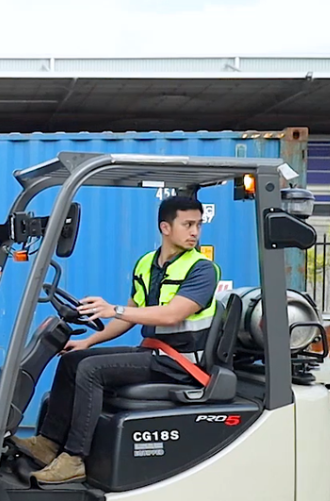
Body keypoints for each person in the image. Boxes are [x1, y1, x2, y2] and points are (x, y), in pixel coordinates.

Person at [12, 195, 220, 484]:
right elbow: (130, 315)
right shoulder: (147, 264)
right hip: (154, 354)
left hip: (181, 364)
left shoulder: (201, 269)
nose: (195, 232)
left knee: (92, 370)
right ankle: (48, 444)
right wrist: (88, 342)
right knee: (74, 360)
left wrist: (113, 309)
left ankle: (74, 458)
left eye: (198, 225)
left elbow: (172, 315)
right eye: (188, 224)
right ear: (165, 227)